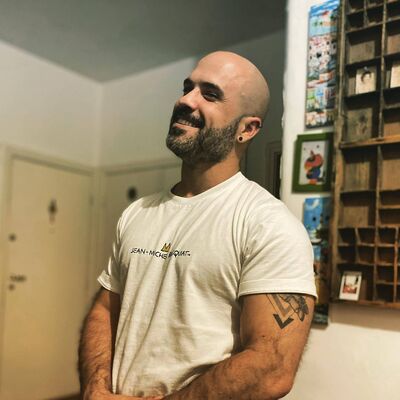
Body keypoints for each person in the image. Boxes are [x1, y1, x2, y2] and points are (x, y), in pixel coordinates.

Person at [79, 51, 317, 400]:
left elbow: (271, 367)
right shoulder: (138, 212)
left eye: (210, 94)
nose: (185, 101)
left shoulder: (268, 224)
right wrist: (95, 387)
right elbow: (104, 310)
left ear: (247, 129)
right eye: (187, 88)